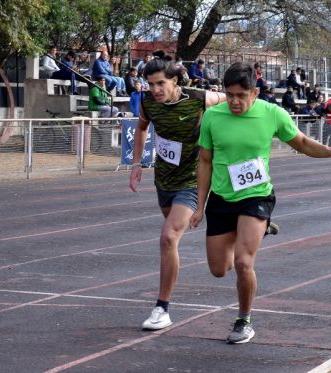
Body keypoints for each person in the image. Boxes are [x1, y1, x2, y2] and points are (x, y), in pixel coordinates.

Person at [189, 62, 331, 344]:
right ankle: (260, 228)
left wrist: (329, 152)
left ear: (256, 92)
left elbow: (300, 142)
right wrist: (200, 206)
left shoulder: (272, 113)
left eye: (241, 95)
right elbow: (204, 161)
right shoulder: (213, 117)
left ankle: (244, 320)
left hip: (257, 195)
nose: (235, 102)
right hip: (222, 197)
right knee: (218, 269)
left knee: (242, 263)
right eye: (230, 95)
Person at [128, 50, 228, 331]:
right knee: (170, 240)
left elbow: (233, 101)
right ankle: (230, 230)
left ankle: (162, 308)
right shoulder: (149, 103)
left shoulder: (199, 98)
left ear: (175, 82)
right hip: (165, 180)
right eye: (150, 84)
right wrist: (137, 163)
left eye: (161, 83)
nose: (155, 90)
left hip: (192, 180)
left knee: (168, 237)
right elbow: (141, 129)